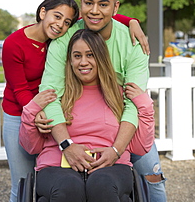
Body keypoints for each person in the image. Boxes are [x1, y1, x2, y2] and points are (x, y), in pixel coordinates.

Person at [1, 0, 149, 201]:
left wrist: (131, 21)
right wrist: (36, 112)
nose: (60, 24)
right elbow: (20, 90)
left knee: (152, 175)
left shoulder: (62, 40)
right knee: (21, 181)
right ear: (42, 12)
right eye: (57, 16)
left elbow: (99, 16)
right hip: (22, 110)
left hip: (49, 105)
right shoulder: (14, 43)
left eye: (67, 21)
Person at [37, 0, 167, 201]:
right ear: (81, 3)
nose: (94, 11)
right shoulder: (64, 39)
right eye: (89, 2)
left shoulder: (133, 43)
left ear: (116, 9)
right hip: (74, 127)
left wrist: (117, 150)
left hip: (121, 129)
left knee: (152, 177)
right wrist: (66, 144)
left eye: (103, 4)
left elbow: (133, 102)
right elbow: (50, 94)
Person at [20, 29, 155, 201]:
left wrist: (144, 104)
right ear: (69, 61)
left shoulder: (119, 96)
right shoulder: (55, 98)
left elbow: (140, 147)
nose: (83, 62)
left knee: (102, 184)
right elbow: (31, 146)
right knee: (68, 188)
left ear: (101, 58)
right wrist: (32, 110)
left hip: (111, 167)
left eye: (90, 55)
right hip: (57, 167)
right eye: (77, 56)